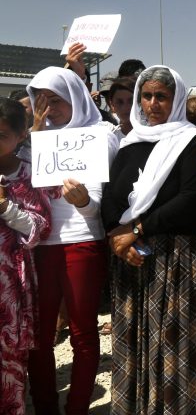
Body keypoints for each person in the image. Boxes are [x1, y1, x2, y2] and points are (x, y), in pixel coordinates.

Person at [101, 66, 196, 414]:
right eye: (146, 96)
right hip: (131, 256)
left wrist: (136, 231)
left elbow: (189, 198)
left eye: (161, 97)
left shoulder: (190, 141)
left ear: (176, 99)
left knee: (173, 344)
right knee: (136, 339)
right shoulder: (130, 143)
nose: (153, 104)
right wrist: (116, 237)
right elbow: (111, 196)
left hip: (178, 257)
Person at [26, 66, 118, 415]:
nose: (51, 108)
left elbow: (97, 208)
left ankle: (77, 406)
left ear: (76, 97)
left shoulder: (99, 136)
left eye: (57, 99)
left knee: (82, 331)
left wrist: (82, 201)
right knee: (40, 333)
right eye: (42, 101)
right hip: (41, 246)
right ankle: (46, 406)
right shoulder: (34, 140)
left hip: (81, 243)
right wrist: (34, 137)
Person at [0, 98, 51, 415]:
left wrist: (7, 209)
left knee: (9, 367)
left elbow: (41, 227)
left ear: (21, 136)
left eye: (2, 134)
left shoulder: (28, 174)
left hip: (9, 289)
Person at [108, 76, 136, 141]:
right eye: (120, 102)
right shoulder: (109, 139)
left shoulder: (152, 136)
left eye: (131, 101)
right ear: (112, 105)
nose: (126, 107)